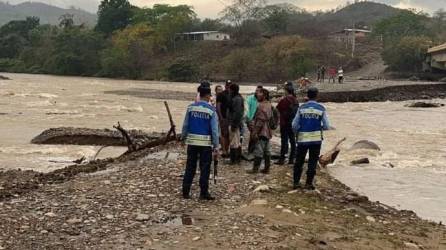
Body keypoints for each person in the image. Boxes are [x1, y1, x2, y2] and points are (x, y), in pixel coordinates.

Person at [181, 85, 219, 200]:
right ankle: (203, 192)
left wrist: (183, 138)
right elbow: (214, 130)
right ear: (207, 95)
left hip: (192, 142)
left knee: (190, 167)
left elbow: (185, 125)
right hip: (205, 143)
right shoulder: (211, 110)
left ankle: (186, 191)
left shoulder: (191, 108)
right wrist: (216, 145)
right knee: (205, 168)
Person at [292, 87, 331, 190]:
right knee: (313, 161)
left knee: (299, 161)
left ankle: (296, 182)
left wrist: (300, 130)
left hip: (302, 139)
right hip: (316, 139)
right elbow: (327, 126)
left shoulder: (301, 108)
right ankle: (308, 183)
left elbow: (294, 125)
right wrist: (319, 127)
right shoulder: (321, 108)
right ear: (317, 96)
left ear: (307, 96)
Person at [249, 88, 273, 174]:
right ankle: (267, 168)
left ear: (264, 95)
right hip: (268, 130)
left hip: (262, 131)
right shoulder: (269, 104)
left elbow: (260, 121)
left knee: (259, 150)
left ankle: (255, 169)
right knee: (267, 150)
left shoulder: (261, 106)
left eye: (259, 93)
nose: (257, 94)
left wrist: (255, 132)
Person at [276, 82, 299, 165]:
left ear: (286, 91)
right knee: (293, 141)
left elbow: (278, 109)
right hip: (293, 123)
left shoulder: (284, 100)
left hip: (284, 122)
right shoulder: (295, 100)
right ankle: (291, 159)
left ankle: (282, 159)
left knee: (284, 140)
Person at [228, 83, 244, 164]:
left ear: (232, 90)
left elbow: (237, 113)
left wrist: (234, 125)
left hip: (235, 123)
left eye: (230, 90)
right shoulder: (238, 98)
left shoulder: (236, 99)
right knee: (236, 141)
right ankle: (237, 159)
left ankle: (234, 160)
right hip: (236, 122)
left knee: (234, 142)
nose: (229, 91)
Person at [245, 86, 263, 154]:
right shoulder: (250, 98)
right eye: (256, 90)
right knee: (254, 134)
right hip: (251, 119)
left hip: (260, 120)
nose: (257, 92)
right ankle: (251, 150)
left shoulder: (262, 99)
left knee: (256, 135)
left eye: (259, 91)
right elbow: (247, 109)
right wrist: (249, 119)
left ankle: (253, 150)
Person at [216, 80, 232, 157]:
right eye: (227, 85)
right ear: (225, 86)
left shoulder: (233, 95)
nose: (228, 87)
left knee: (228, 134)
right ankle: (224, 150)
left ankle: (227, 149)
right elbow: (218, 106)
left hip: (231, 118)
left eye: (230, 85)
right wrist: (220, 117)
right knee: (223, 134)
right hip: (223, 117)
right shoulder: (221, 95)